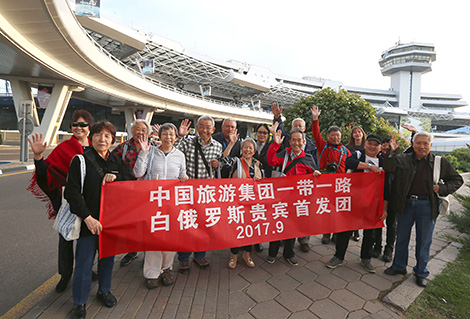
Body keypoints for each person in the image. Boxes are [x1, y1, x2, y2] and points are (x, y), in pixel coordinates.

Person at [65, 120, 134, 319]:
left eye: (107, 136)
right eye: (98, 135)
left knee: (107, 261)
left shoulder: (115, 160)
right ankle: (79, 302)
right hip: (89, 223)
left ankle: (104, 290)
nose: (102, 139)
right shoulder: (81, 160)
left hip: (110, 224)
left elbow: (129, 182)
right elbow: (72, 193)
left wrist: (114, 176)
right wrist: (87, 218)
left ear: (112, 139)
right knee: (84, 265)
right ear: (91, 137)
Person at [383, 132, 463, 287]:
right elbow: (388, 167)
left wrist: (443, 188)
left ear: (431, 145)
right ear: (413, 144)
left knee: (424, 241)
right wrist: (390, 153)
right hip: (405, 204)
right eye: (418, 143)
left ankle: (421, 272)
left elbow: (457, 180)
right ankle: (399, 266)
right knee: (402, 237)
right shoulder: (403, 159)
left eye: (425, 143)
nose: (421, 146)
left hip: (427, 206)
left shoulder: (440, 162)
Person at [28, 110, 94, 293]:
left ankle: (87, 268)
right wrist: (38, 157)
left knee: (87, 238)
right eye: (75, 123)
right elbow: (46, 174)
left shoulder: (95, 148)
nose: (78, 127)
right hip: (66, 200)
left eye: (83, 124)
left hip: (90, 200)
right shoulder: (64, 148)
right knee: (66, 238)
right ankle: (65, 275)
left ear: (90, 127)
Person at [133, 123, 189, 289]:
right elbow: (137, 173)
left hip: (171, 203)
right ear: (160, 136)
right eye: (165, 134)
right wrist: (143, 153)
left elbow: (182, 173)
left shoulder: (179, 155)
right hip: (153, 202)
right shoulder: (150, 152)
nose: (168, 137)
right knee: (154, 237)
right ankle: (152, 273)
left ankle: (167, 269)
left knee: (170, 237)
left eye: (171, 134)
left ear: (175, 137)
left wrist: (184, 176)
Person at [325, 134, 387, 272]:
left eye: (375, 144)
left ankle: (366, 258)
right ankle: (338, 257)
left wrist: (384, 207)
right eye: (369, 143)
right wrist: (370, 167)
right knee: (345, 230)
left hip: (372, 204)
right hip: (352, 200)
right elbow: (349, 163)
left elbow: (386, 186)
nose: (372, 146)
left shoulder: (383, 161)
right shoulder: (358, 154)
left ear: (380, 147)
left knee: (370, 233)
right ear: (365, 145)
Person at [266, 128, 321, 265]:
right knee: (277, 224)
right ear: (289, 141)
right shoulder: (284, 154)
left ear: (303, 142)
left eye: (299, 140)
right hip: (281, 198)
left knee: (292, 227)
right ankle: (272, 253)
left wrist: (316, 175)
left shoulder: (308, 159)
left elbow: (315, 181)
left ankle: (289, 253)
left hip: (298, 201)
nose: (296, 143)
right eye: (294, 140)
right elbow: (271, 161)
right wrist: (276, 145)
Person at [176, 116, 223, 273]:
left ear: (213, 130)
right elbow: (174, 154)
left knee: (203, 224)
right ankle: (183, 258)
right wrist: (179, 136)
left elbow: (220, 166)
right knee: (186, 224)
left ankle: (200, 254)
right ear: (196, 127)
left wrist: (219, 164)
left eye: (208, 127)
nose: (204, 130)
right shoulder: (187, 142)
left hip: (205, 194)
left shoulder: (217, 146)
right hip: (187, 192)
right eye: (201, 126)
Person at [271, 102, 319, 252]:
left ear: (304, 131)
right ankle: (283, 239)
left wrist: (316, 174)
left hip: (302, 191)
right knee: (284, 214)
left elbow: (314, 166)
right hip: (285, 190)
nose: (298, 127)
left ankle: (303, 239)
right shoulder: (286, 143)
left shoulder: (311, 145)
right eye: (295, 125)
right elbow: (279, 132)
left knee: (302, 214)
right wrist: (277, 117)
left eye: (300, 125)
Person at [111, 119, 152, 267]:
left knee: (148, 223)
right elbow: (111, 163)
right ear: (132, 131)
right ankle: (132, 251)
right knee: (131, 224)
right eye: (137, 129)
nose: (140, 133)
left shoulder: (154, 147)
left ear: (148, 133)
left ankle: (148, 254)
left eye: (143, 130)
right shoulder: (123, 148)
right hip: (128, 191)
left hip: (148, 192)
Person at [310, 105, 351, 244]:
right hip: (325, 183)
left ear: (341, 137)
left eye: (337, 135)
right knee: (327, 209)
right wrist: (315, 119)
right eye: (332, 135)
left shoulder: (345, 151)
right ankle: (326, 234)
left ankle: (336, 234)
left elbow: (353, 164)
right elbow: (316, 134)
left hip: (340, 185)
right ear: (328, 136)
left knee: (338, 210)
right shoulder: (323, 146)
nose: (335, 137)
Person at [222, 137, 264, 269]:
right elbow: (223, 160)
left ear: (254, 150)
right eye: (245, 147)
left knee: (249, 229)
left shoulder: (258, 164)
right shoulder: (235, 162)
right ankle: (233, 255)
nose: (248, 150)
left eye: (250, 147)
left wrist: (259, 180)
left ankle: (247, 254)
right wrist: (232, 143)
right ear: (241, 150)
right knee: (236, 229)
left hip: (252, 204)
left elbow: (265, 184)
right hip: (237, 203)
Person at [346, 126, 367, 242]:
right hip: (351, 180)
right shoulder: (348, 147)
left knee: (359, 207)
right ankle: (350, 228)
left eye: (359, 132)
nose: (357, 134)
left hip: (363, 181)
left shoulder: (367, 147)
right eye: (355, 132)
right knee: (350, 206)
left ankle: (356, 230)